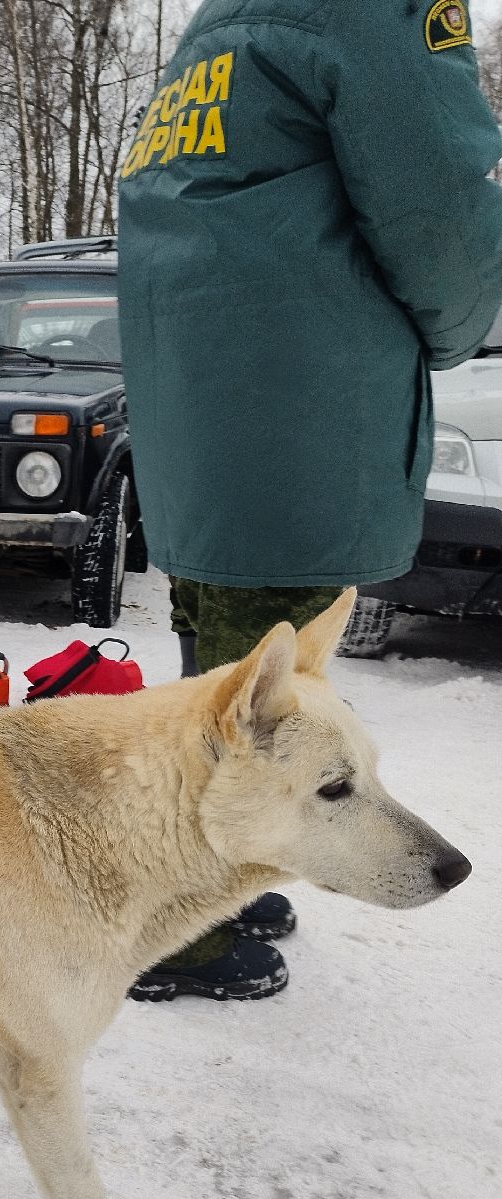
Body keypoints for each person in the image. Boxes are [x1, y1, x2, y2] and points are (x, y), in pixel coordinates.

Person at [117, 0, 502, 1001]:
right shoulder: (374, 9)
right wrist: (460, 325)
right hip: (294, 396)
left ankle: (225, 883)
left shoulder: (224, 22)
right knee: (262, 709)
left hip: (203, 398)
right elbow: (438, 207)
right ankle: (180, 929)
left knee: (215, 675)